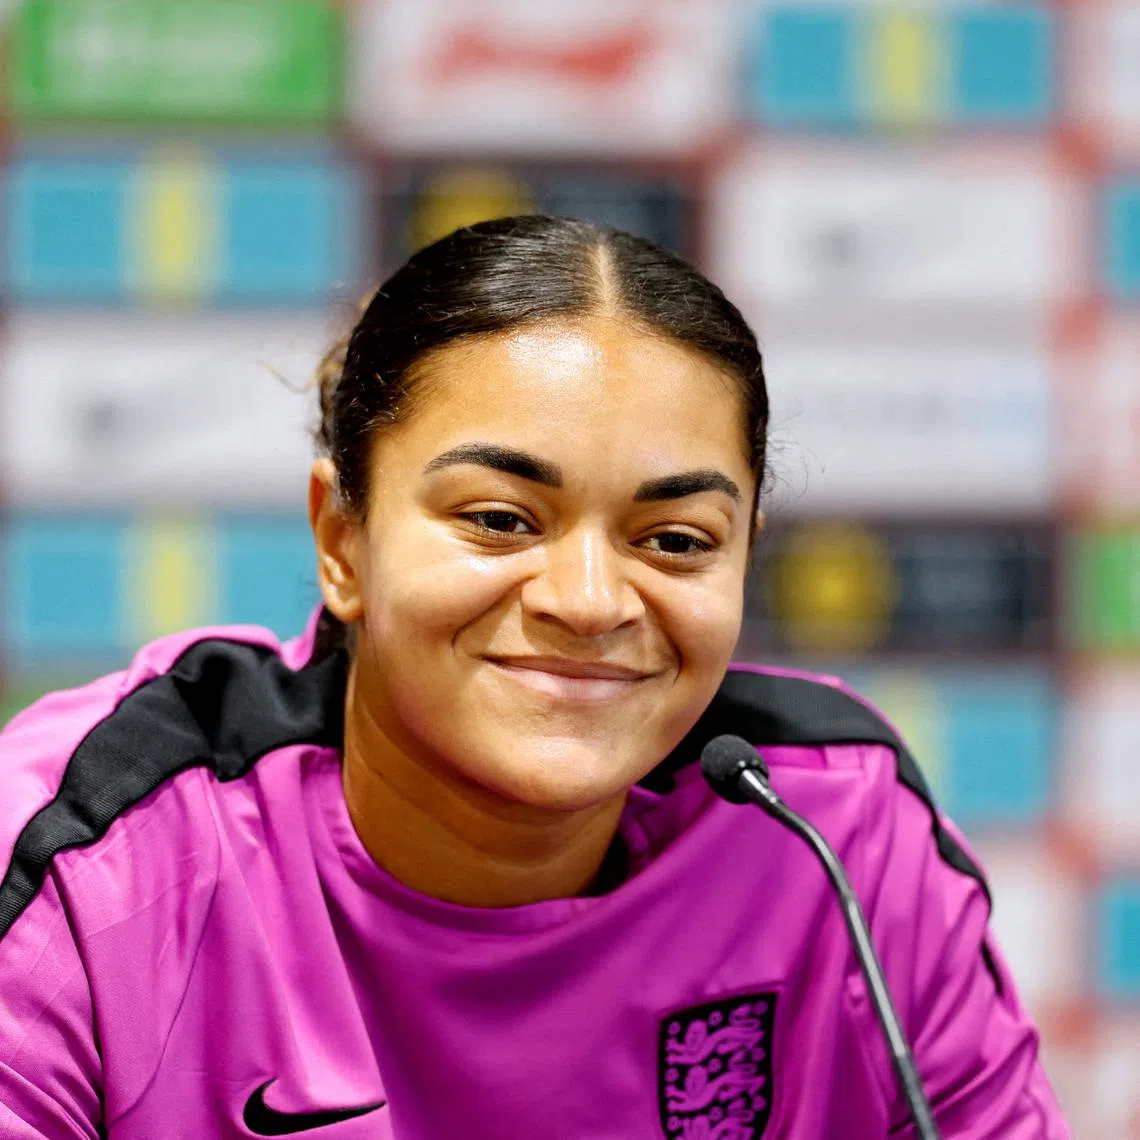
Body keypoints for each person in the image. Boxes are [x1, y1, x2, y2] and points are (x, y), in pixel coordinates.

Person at [0, 216, 1068, 1138]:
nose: (590, 601)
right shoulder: (90, 864)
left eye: (677, 540)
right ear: (341, 541)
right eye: (502, 520)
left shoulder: (838, 832)